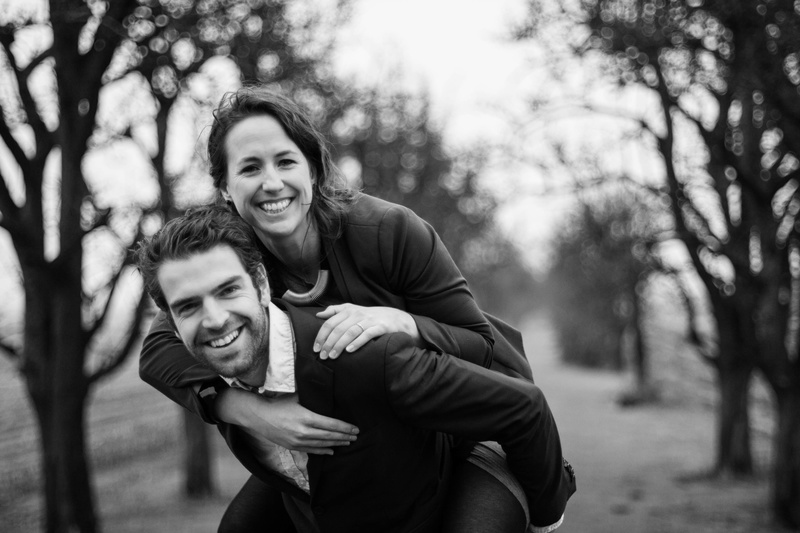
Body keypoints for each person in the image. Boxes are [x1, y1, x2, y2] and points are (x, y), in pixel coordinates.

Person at [139, 87, 542, 532]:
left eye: (285, 161)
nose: (271, 182)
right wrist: (247, 410)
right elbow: (159, 350)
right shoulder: (236, 263)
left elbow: (483, 347)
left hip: (468, 428)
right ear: (225, 189)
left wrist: (404, 322)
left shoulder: (389, 230)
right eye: (250, 168)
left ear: (313, 170)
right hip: (363, 441)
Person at [135, 205, 576, 533]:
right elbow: (152, 359)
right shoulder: (212, 376)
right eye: (189, 306)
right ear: (170, 322)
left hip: (445, 473)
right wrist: (240, 407)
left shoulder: (369, 354)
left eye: (228, 290)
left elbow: (525, 407)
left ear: (262, 283)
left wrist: (545, 521)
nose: (213, 319)